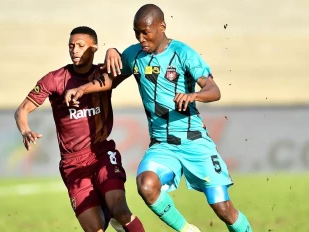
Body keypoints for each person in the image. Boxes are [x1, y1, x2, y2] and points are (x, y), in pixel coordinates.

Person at [64, 4, 253, 232]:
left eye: (146, 32)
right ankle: (187, 230)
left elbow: (214, 90)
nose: (141, 38)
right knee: (146, 185)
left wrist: (194, 95)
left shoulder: (183, 53)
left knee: (223, 208)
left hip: (194, 141)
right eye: (137, 32)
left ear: (162, 27)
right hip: (163, 146)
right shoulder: (134, 55)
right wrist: (85, 86)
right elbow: (110, 80)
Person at [14, 26, 145, 232]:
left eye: (81, 46)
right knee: (95, 229)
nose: (74, 50)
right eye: (71, 46)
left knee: (120, 210)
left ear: (94, 49)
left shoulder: (104, 75)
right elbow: (22, 110)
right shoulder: (55, 79)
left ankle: (111, 210)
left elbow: (130, 61)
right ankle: (105, 211)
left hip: (101, 152)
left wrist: (113, 50)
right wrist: (25, 130)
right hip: (72, 163)